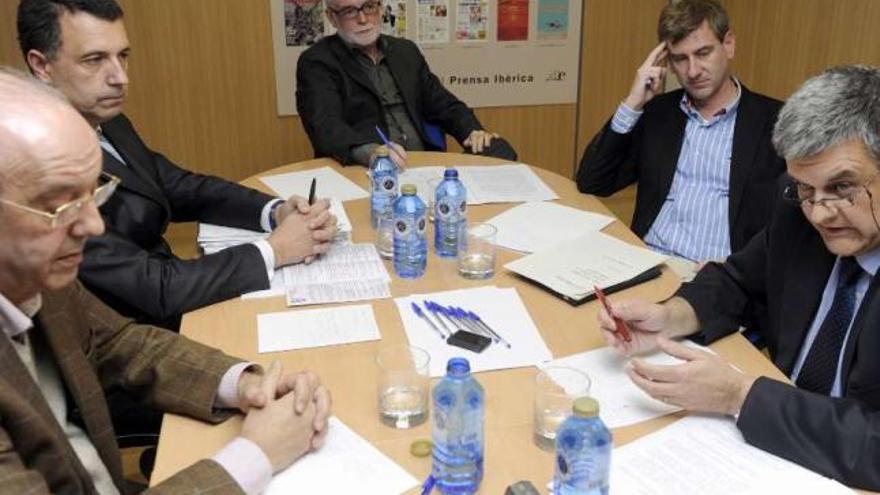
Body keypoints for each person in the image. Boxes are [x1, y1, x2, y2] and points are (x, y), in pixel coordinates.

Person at [0, 67, 331, 495]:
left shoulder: (35, 272)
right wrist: (257, 455)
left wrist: (244, 383)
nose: (95, 225)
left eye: (92, 195)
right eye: (60, 206)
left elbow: (116, 342)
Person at [597, 65, 880, 490]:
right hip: (772, 452)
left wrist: (741, 396)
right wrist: (669, 317)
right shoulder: (797, 209)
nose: (820, 213)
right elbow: (738, 280)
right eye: (806, 189)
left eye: (842, 188)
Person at [17, 0, 339, 331]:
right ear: (42, 65)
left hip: (173, 304)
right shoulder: (36, 169)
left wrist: (276, 212)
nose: (120, 77)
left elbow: (180, 186)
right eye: (94, 60)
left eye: (123, 56)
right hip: (139, 337)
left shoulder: (107, 122)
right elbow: (154, 287)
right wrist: (276, 249)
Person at [577, 0, 785, 266]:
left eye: (703, 53)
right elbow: (593, 182)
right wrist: (633, 102)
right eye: (680, 59)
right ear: (667, 62)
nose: (693, 71)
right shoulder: (659, 113)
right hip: (648, 261)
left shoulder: (776, 121)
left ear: (729, 44)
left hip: (720, 277)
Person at [296, 0, 517, 169]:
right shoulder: (317, 62)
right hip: (370, 168)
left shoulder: (405, 51)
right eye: (349, 11)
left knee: (498, 149)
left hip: (423, 163)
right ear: (332, 18)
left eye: (369, 6)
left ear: (381, 8)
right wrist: (371, 152)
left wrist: (472, 130)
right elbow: (325, 126)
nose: (363, 19)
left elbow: (442, 102)